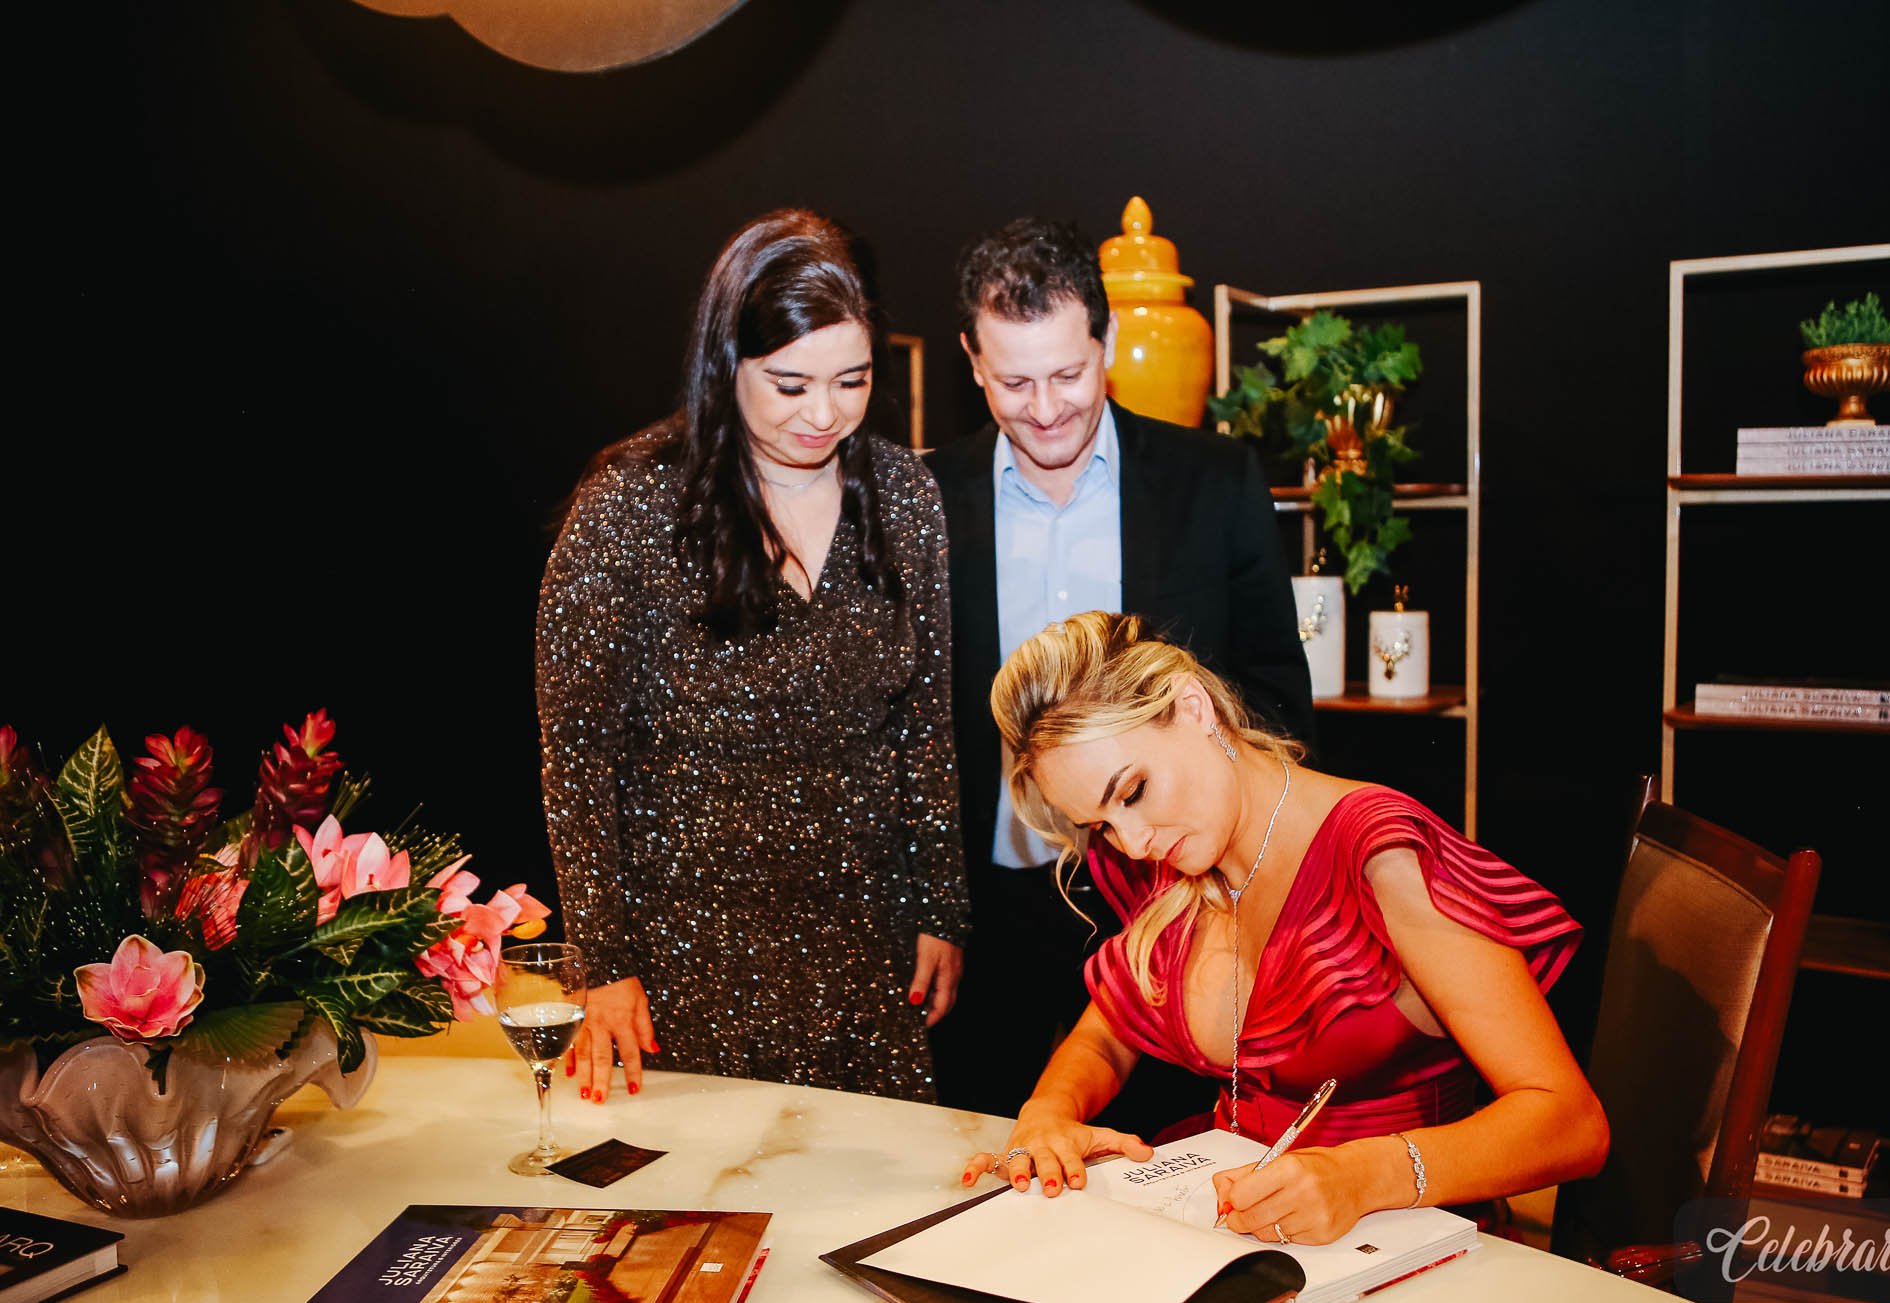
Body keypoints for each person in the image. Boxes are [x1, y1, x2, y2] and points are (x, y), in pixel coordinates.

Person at [959, 612, 1607, 1246]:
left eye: (1131, 792)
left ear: (1192, 707)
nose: (1131, 842)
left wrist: (1366, 1175)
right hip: (1240, 1240)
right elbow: (1105, 1035)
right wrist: (1048, 1113)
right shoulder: (1173, 858)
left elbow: (1572, 1123)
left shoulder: (1380, 858)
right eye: (1100, 825)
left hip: (1407, 1245)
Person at [536, 208, 969, 1104]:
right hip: (686, 953)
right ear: (726, 361)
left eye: (852, 380)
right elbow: (577, 756)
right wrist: (602, 961)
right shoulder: (630, 506)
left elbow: (924, 723)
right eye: (790, 383)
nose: (825, 413)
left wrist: (942, 906)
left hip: (864, 944)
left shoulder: (905, 495)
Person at [924, 218, 1315, 1126]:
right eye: (1014, 382)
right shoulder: (926, 497)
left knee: (1169, 1159)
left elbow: (1274, 697)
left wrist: (1242, 887)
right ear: (972, 362)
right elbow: (901, 728)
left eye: (1067, 373)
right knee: (998, 1151)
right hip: (990, 913)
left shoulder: (1213, 481)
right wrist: (927, 907)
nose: (1045, 408)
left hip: (1172, 899)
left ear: (1105, 342)